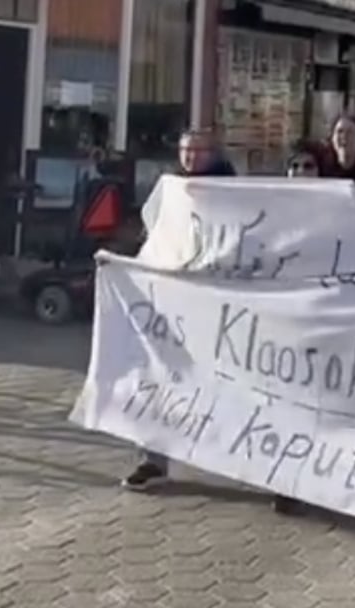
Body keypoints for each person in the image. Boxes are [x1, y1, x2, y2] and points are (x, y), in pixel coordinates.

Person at [122, 129, 235, 491]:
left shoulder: (233, 191)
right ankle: (152, 459)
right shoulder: (171, 189)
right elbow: (156, 234)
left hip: (218, 302)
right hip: (174, 299)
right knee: (160, 375)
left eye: (197, 150)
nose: (189, 157)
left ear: (212, 153)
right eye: (185, 150)